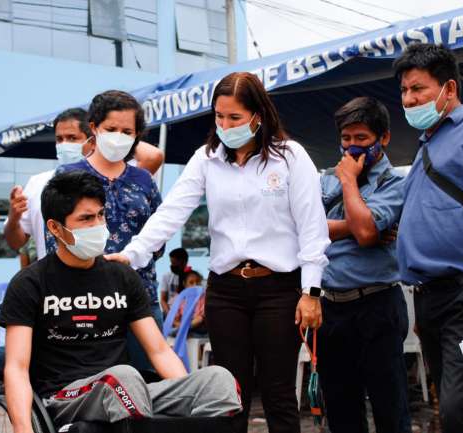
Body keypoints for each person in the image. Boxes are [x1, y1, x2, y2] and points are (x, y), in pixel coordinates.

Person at [106, 72, 330, 433]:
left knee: (278, 392)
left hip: (279, 289)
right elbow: (172, 211)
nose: (225, 125)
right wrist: (133, 254)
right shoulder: (206, 158)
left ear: (258, 115)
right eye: (219, 116)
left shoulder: (290, 157)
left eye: (235, 117)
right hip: (226, 290)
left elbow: (313, 229)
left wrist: (311, 291)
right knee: (229, 395)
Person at [0, 170, 241, 432]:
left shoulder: (122, 277)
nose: (97, 225)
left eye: (100, 215)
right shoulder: (30, 283)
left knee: (219, 380)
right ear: (55, 228)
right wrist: (23, 429)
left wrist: (185, 397)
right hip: (63, 397)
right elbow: (16, 368)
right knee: (122, 378)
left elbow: (159, 351)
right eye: (86, 219)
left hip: (127, 394)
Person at [393, 43, 463, 433]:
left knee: (460, 413)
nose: (408, 99)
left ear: (449, 88)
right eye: (404, 91)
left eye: (418, 89)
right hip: (430, 298)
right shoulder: (426, 145)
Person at [58, 90, 165, 377]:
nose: (118, 137)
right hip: (86, 301)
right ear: (94, 127)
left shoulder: (143, 180)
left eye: (127, 131)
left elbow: (158, 238)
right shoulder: (68, 176)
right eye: (111, 129)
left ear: (137, 135)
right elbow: (56, 240)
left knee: (150, 381)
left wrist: (134, 256)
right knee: (93, 384)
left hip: (141, 298)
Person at [319, 97, 411, 433]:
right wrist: (358, 227)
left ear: (383, 138)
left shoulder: (395, 183)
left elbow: (367, 233)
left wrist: (349, 182)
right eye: (346, 138)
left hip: (378, 304)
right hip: (331, 307)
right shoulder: (325, 179)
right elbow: (305, 229)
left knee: (390, 409)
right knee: (341, 413)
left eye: (361, 138)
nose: (352, 147)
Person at [5, 108, 164, 259]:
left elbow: (153, 156)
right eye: (59, 139)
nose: (64, 145)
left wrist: (114, 137)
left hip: (117, 271)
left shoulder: (115, 179)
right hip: (56, 275)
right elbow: (16, 243)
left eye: (72, 138)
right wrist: (13, 217)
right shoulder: (38, 183)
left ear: (93, 140)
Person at [171, 270, 207, 335]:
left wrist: (185, 327)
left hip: (198, 326)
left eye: (197, 282)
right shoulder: (178, 298)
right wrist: (179, 325)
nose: (195, 285)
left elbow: (200, 318)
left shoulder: (204, 297)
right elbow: (174, 320)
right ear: (184, 284)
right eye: (191, 282)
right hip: (182, 325)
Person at [160, 248, 189, 315]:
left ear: (184, 262)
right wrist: (170, 315)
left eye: (174, 263)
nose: (172, 265)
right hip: (170, 312)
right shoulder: (167, 276)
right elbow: (163, 300)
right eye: (171, 262)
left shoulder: (192, 278)